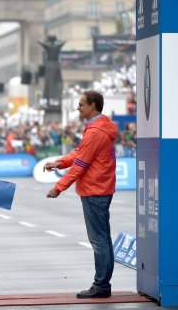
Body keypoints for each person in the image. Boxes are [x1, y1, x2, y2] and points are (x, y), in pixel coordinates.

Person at [43, 90, 118, 299]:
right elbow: (79, 153)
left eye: (81, 104)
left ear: (93, 106)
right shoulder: (99, 127)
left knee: (99, 240)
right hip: (101, 187)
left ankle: (101, 285)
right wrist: (60, 162)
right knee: (103, 239)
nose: (78, 108)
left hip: (95, 189)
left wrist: (58, 188)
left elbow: (81, 165)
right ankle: (103, 284)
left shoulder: (95, 132)